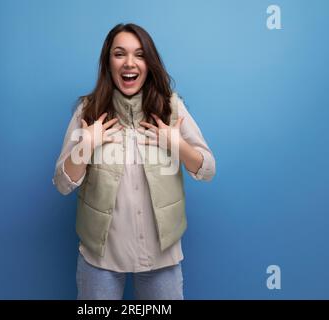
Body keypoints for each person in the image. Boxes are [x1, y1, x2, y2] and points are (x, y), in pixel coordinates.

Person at [53, 23, 216, 300]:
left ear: (149, 63)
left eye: (139, 55)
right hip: (100, 259)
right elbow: (61, 183)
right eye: (119, 54)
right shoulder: (88, 111)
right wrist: (86, 145)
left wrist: (177, 145)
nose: (130, 63)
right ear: (108, 62)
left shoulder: (171, 107)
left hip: (161, 257)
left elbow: (207, 169)